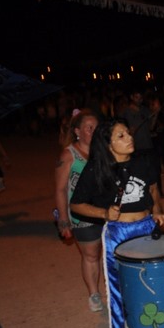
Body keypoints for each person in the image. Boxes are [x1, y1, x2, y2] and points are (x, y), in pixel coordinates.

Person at [70, 118, 164, 328]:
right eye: (121, 135)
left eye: (128, 132)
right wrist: (104, 212)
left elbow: (152, 189)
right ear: (108, 143)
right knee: (121, 297)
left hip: (147, 229)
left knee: (155, 290)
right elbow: (76, 205)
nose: (129, 138)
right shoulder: (97, 169)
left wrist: (157, 209)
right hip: (120, 235)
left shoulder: (143, 161)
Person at [55, 109, 105, 312]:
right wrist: (63, 220)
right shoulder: (69, 155)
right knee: (91, 254)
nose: (93, 131)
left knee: (106, 251)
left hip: (103, 210)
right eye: (88, 128)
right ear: (77, 131)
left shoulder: (102, 150)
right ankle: (94, 294)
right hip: (81, 213)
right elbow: (60, 189)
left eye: (96, 127)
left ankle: (109, 289)